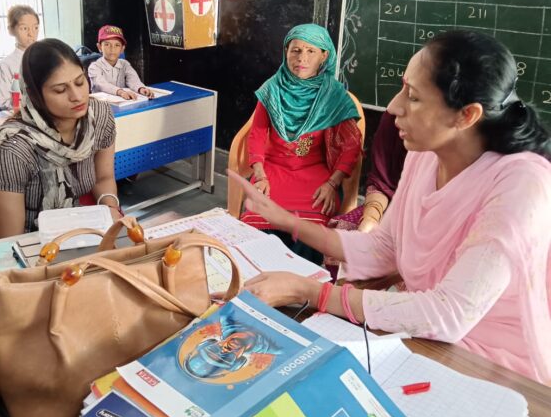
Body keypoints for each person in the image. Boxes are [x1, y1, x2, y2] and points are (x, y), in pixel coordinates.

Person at [229, 30, 551, 384]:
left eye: (412, 97)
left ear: (466, 115)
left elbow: (449, 313)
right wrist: (289, 222)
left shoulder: (521, 184)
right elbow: (385, 247)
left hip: (493, 368)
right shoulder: (424, 153)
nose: (394, 107)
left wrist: (311, 292)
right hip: (424, 337)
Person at [0, 38, 120, 243]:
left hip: (78, 232)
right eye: (60, 90)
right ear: (35, 95)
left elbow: (103, 178)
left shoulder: (98, 116)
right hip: (32, 245)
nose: (77, 96)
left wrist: (109, 210)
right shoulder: (14, 150)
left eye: (80, 82)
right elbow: (12, 241)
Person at [241, 23, 362, 261]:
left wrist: (332, 184)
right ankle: (261, 275)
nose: (301, 59)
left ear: (324, 56)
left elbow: (351, 146)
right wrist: (260, 173)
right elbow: (257, 133)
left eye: (310, 51)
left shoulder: (333, 94)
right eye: (295, 50)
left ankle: (303, 283)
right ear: (286, 51)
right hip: (273, 171)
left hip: (315, 172)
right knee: (258, 218)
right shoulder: (272, 89)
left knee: (313, 223)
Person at [330, 111, 406, 233]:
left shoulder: (341, 106)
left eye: (414, 98)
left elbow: (349, 150)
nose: (392, 105)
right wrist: (371, 217)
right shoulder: (393, 118)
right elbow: (382, 182)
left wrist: (331, 184)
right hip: (301, 177)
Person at [88, 25, 153, 100]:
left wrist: (141, 88)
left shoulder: (124, 64)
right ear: (99, 47)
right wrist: (120, 92)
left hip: (122, 104)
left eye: (117, 45)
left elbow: (133, 79)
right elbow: (101, 84)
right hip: (101, 105)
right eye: (107, 44)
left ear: (122, 49)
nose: (112, 49)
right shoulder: (94, 67)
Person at [0, 5, 40, 110]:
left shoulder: (47, 57)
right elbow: (4, 103)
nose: (31, 34)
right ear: (11, 30)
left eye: (36, 27)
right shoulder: (6, 65)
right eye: (24, 28)